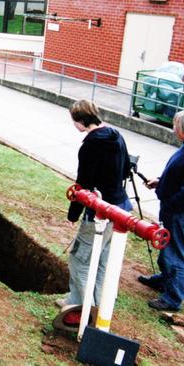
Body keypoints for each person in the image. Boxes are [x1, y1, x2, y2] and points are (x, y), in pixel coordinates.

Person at [57, 100, 133, 309]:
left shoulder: (90, 145)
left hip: (100, 212)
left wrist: (73, 215)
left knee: (80, 259)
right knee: (102, 261)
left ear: (81, 121)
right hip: (120, 207)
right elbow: (126, 169)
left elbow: (84, 185)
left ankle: (80, 308)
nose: (74, 125)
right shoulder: (116, 135)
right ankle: (97, 303)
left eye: (74, 121)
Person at [139, 109, 184, 311]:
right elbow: (180, 176)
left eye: (176, 126)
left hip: (180, 212)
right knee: (166, 246)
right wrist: (160, 183)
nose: (173, 130)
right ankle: (164, 279)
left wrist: (170, 202)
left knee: (176, 252)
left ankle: (172, 298)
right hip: (173, 208)